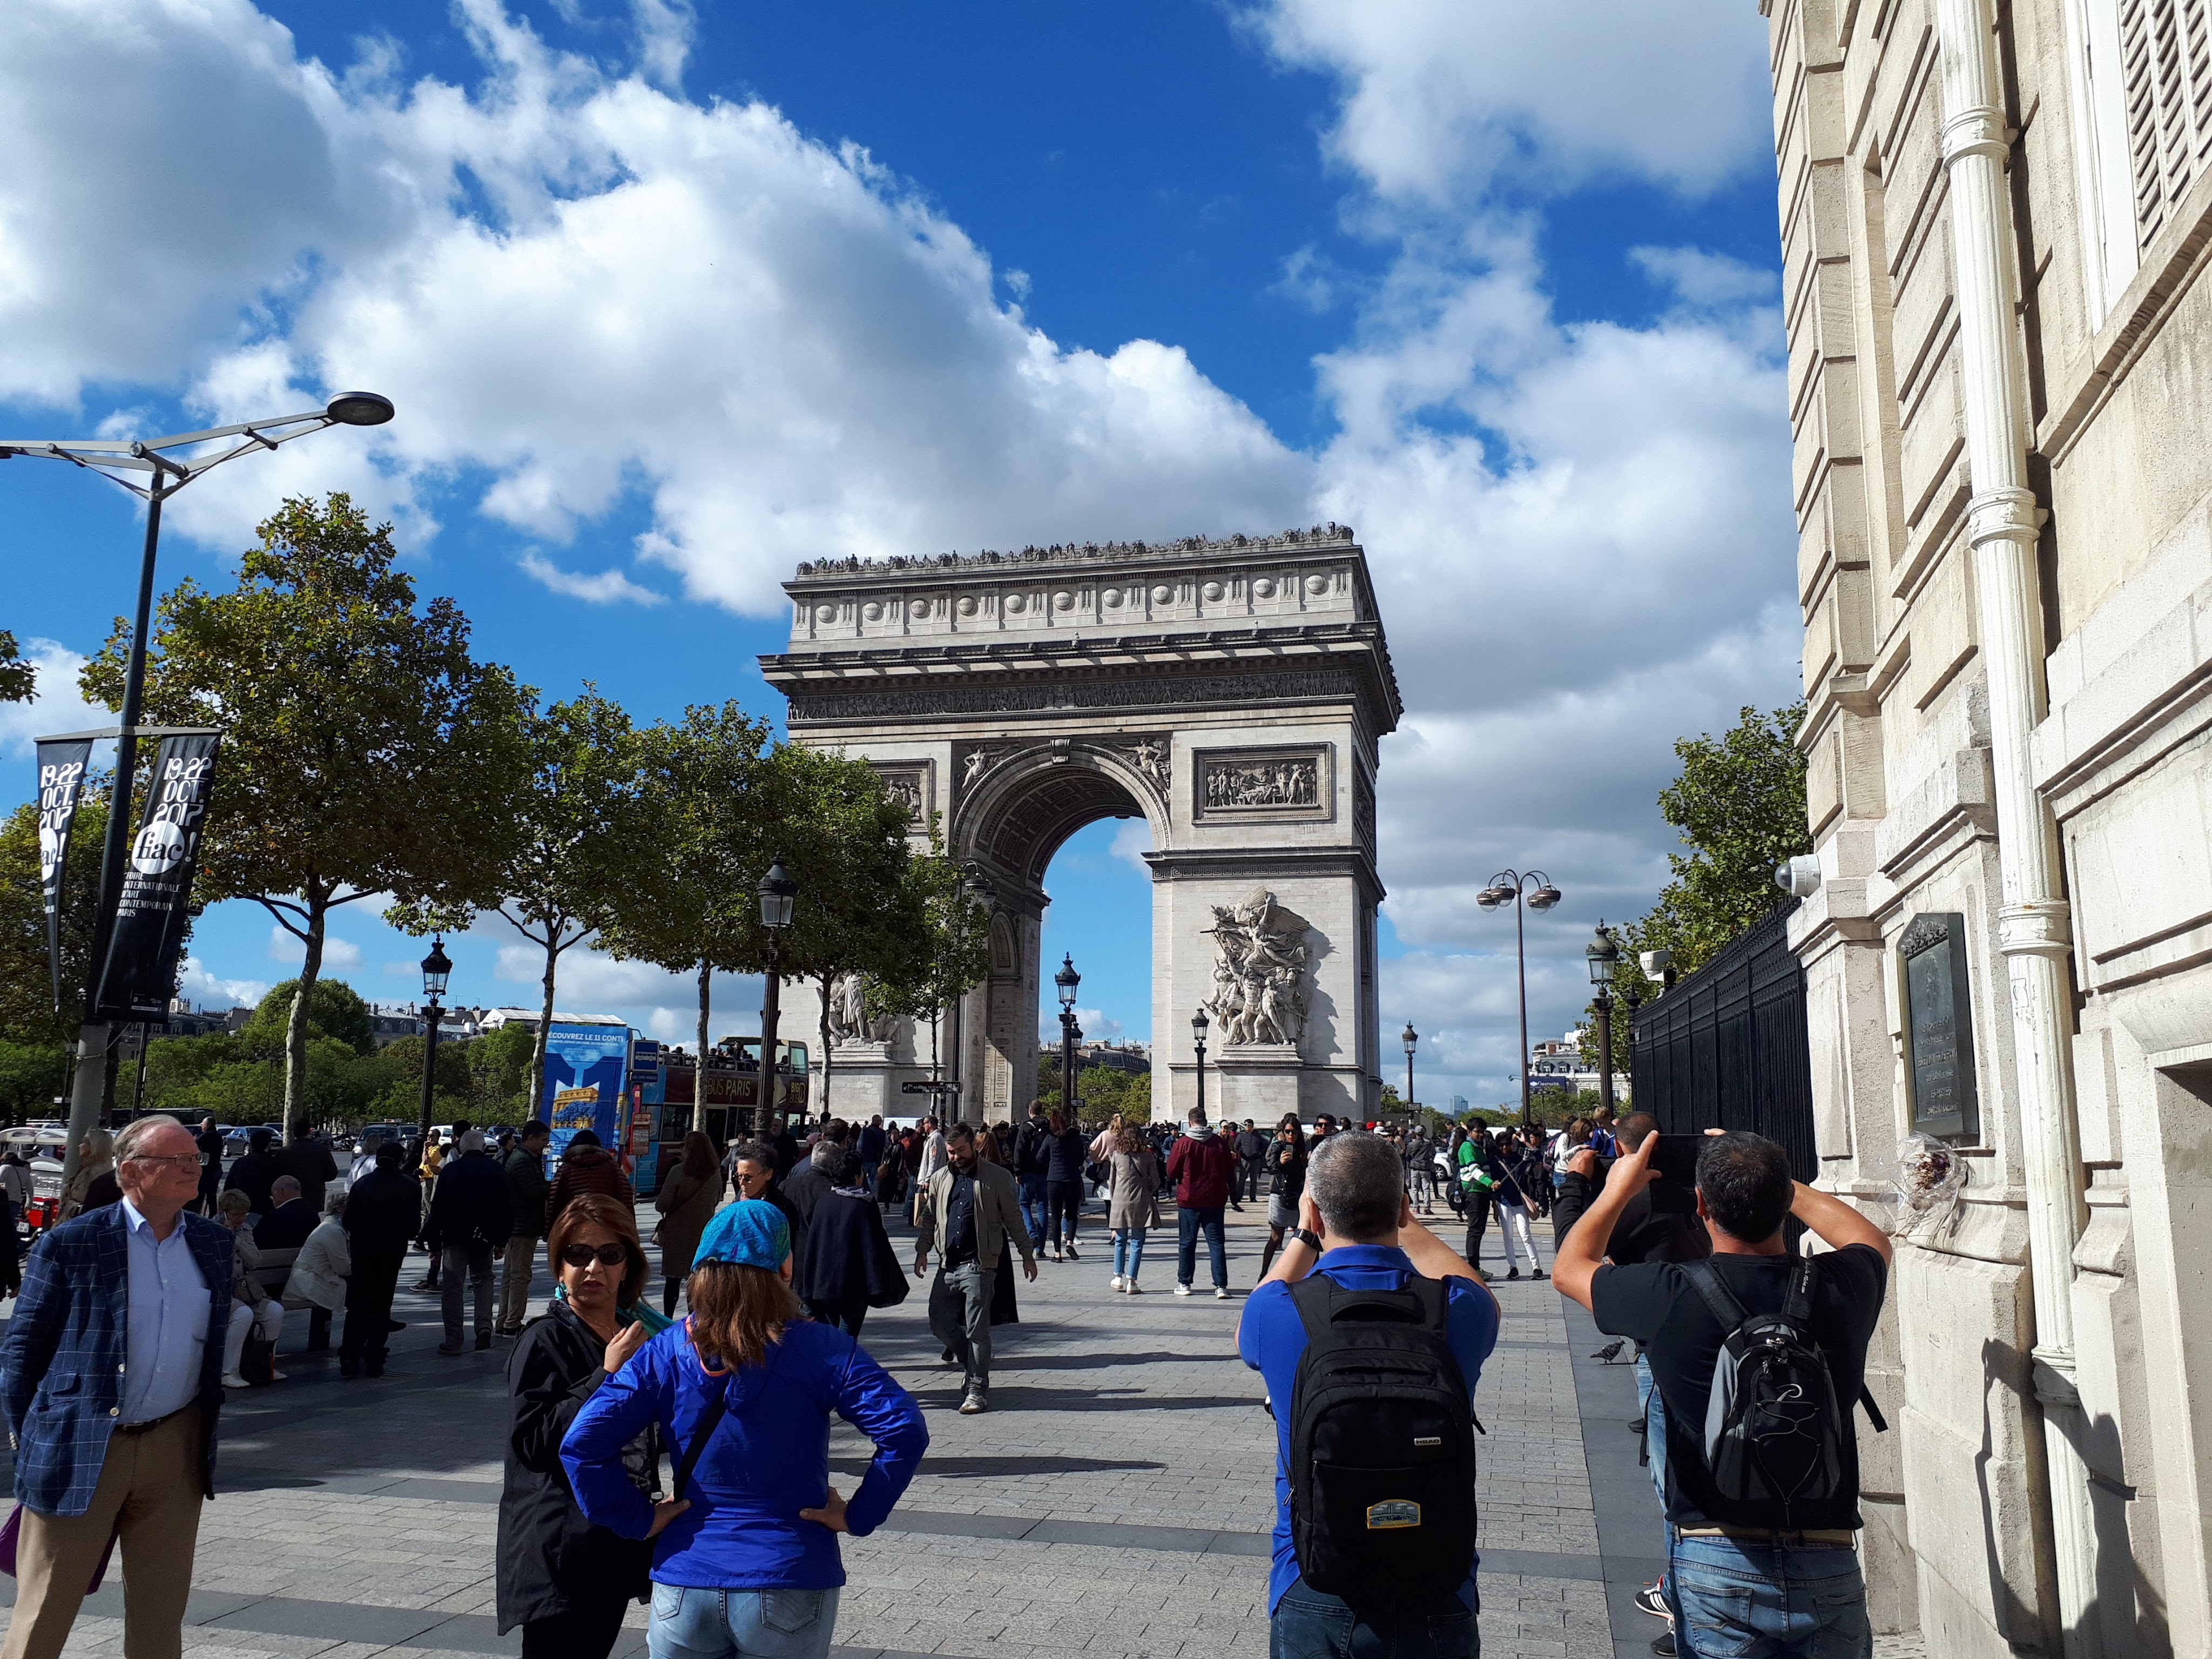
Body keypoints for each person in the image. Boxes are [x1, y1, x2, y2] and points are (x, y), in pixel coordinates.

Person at [1553, 1130, 1892, 1659]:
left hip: (1716, 1549)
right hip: (1826, 1553)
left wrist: (1614, 1188)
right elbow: (1869, 1237)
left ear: (1700, 1205)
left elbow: (1568, 1267)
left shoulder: (1667, 1291)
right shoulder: (1841, 1283)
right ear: (1783, 1202)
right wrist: (1778, 1181)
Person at [562, 1199, 930, 1659]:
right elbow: (904, 1431)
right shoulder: (824, 1348)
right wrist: (859, 1515)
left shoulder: (667, 1350)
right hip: (788, 1572)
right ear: (783, 1266)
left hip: (685, 1576)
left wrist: (637, 1518)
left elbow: (582, 1444)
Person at [1237, 1130, 1500, 1659]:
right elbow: (1484, 1294)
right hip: (1436, 1574)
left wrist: (1305, 1237)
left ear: (1311, 1209)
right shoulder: (1460, 1308)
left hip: (1314, 1572)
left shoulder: (1276, 1313)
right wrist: (1407, 1221)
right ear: (1403, 1206)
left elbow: (1263, 1295)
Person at [0, 1115, 235, 1659]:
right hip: (81, 1445)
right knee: (46, 1608)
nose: (191, 1169)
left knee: (161, 1613)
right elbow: (22, 1351)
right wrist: (29, 1439)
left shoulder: (212, 1243)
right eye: (175, 1160)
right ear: (131, 1172)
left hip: (176, 1446)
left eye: (194, 1159)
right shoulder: (73, 1244)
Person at [497, 1193, 664, 1659]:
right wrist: (604, 1376)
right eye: (578, 1255)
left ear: (628, 1265)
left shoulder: (635, 1334)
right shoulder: (545, 1338)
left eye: (609, 1255)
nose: (594, 1268)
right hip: (561, 1551)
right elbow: (532, 1443)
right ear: (559, 1266)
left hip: (609, 1547)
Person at [913, 1123, 1036, 1414]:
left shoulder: (997, 1178)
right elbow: (930, 1217)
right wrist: (922, 1250)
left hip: (979, 1264)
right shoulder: (941, 1178)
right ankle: (971, 1363)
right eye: (951, 1152)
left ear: (973, 1145)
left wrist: (1026, 1254)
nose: (956, 1157)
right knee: (938, 1322)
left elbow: (1014, 1218)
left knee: (977, 1330)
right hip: (948, 1263)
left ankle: (977, 1388)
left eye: (961, 1151)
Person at [793, 1144, 906, 1337]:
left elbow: (815, 1242)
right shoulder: (864, 1204)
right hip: (854, 1283)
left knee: (829, 1332)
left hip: (824, 1281)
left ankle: (832, 1365)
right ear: (857, 1177)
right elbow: (875, 1243)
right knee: (847, 1334)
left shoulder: (824, 1202)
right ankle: (841, 1366)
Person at [426, 1129, 512, 1355]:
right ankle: (484, 1327)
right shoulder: (496, 1170)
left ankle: (454, 1339)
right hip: (484, 1238)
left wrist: (434, 1245)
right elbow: (507, 1209)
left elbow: (438, 1209)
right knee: (484, 1280)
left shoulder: (451, 1171)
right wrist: (501, 1241)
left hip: (455, 1237)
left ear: (461, 1147)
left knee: (453, 1287)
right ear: (483, 1147)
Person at [340, 1140, 419, 1379]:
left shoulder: (362, 1184)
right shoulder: (410, 1187)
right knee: (382, 1305)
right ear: (401, 1161)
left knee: (357, 1305)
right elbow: (413, 1228)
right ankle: (375, 1359)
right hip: (391, 1253)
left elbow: (348, 1221)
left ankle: (350, 1357)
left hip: (363, 1252)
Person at [217, 1189, 287, 1387]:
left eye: (244, 1214)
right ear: (224, 1212)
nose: (240, 1219)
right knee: (243, 1315)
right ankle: (228, 1371)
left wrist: (236, 1240)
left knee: (275, 1311)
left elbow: (255, 1261)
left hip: (243, 1288)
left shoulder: (245, 1230)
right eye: (236, 1215)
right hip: (221, 1291)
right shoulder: (211, 1227)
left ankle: (266, 1365)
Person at [654, 1131, 724, 1319]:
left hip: (677, 1234)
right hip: (703, 1234)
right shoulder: (715, 1173)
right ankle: (694, 1320)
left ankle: (668, 1319)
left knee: (673, 1282)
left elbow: (662, 1204)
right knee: (696, 1280)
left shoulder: (678, 1171)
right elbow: (717, 1200)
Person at [1166, 1107, 1235, 1298]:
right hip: (1215, 1199)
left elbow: (1171, 1171)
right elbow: (1230, 1169)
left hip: (1189, 1199)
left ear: (1190, 1123)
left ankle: (1185, 1283)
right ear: (1206, 1122)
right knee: (1216, 1243)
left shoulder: (1183, 1144)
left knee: (1187, 1243)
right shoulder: (1219, 1143)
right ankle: (1221, 1286)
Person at [281, 1191, 353, 1353]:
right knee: (360, 1295)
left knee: (361, 1290)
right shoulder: (332, 1230)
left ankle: (369, 1331)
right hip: (310, 1283)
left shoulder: (334, 1227)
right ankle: (356, 1342)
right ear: (339, 1209)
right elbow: (344, 1269)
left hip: (317, 1278)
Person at [500, 1121, 554, 1337]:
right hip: (522, 1226)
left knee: (511, 1276)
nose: (545, 1146)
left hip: (518, 1225)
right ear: (530, 1138)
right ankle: (512, 1323)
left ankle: (505, 1320)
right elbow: (533, 1190)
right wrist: (555, 1186)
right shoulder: (522, 1160)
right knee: (520, 1276)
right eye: (543, 1141)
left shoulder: (527, 1158)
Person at [1106, 1123, 1161, 1294]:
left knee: (1120, 1241)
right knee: (1137, 1243)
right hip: (1141, 1201)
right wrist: (1147, 1190)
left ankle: (1117, 1277)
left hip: (1120, 1202)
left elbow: (1112, 1182)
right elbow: (1157, 1181)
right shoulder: (1147, 1156)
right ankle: (1132, 1280)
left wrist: (1115, 1198)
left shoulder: (1117, 1155)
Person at [544, 1129, 633, 1232]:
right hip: (606, 1222)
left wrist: (550, 1231)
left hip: (574, 1223)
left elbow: (555, 1199)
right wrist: (630, 1229)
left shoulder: (566, 1169)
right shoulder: (612, 1167)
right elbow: (626, 1195)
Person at [1486, 1133, 1544, 1280]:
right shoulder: (1494, 1162)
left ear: (1512, 1145)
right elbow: (1491, 1186)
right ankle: (1513, 1267)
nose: (1505, 1147)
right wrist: (1494, 1207)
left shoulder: (1519, 1158)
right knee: (1508, 1236)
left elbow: (1538, 1156)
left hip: (1519, 1202)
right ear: (1498, 1146)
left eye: (1507, 1144)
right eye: (1502, 1145)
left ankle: (1536, 1267)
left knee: (1525, 1234)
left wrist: (1525, 1142)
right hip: (1503, 1202)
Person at [1258, 1115, 1307, 1280]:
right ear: (1283, 1132)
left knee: (1304, 1236)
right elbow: (1271, 1168)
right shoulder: (1277, 1147)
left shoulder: (1302, 1149)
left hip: (1297, 1195)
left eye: (1294, 1132)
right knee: (1276, 1236)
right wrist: (1280, 1162)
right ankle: (1263, 1273)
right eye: (1288, 1131)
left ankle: (1304, 1275)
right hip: (1280, 1194)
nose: (1291, 1135)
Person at [729, 1140, 802, 1240]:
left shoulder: (782, 1208)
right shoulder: (741, 1196)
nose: (742, 1182)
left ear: (768, 1174)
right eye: (738, 1176)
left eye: (748, 1177)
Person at [1042, 1109, 1089, 1262]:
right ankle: (1069, 1243)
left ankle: (1057, 1254)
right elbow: (1081, 1158)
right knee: (1071, 1214)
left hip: (1054, 1180)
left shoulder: (1050, 1138)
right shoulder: (1076, 1138)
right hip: (1072, 1179)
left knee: (1055, 1217)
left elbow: (1040, 1157)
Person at [1012, 1102, 1052, 1252]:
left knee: (1024, 1205)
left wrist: (1018, 1171)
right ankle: (1040, 1249)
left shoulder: (1026, 1128)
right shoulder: (1050, 1127)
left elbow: (1019, 1151)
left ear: (1030, 1111)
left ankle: (1032, 1233)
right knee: (1043, 1208)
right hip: (1045, 1173)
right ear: (1042, 1111)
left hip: (1028, 1173)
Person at [274, 1125, 339, 1216]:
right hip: (314, 1196)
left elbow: (276, 1175)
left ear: (294, 1133)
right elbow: (332, 1174)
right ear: (309, 1133)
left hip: (289, 1196)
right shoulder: (322, 1150)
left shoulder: (283, 1152)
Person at [59, 1128, 119, 1219]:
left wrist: (70, 1205)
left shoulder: (99, 1172)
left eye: (84, 1142)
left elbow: (95, 1205)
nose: (79, 1146)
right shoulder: (84, 1168)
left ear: (94, 1146)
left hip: (79, 1224)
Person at [222, 1128, 280, 1218]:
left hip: (243, 1208)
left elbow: (228, 1188)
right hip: (266, 1208)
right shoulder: (275, 1163)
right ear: (268, 1145)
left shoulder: (240, 1163)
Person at [252, 1176, 319, 1251]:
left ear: (279, 1192)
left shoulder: (272, 1218)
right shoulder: (313, 1214)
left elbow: (255, 1245)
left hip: (276, 1261)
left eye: (273, 1196)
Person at [194, 1117, 225, 1216]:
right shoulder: (218, 1136)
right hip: (216, 1168)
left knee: (200, 1195)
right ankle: (213, 1216)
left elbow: (195, 1145)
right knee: (212, 1196)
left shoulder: (206, 1135)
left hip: (206, 1169)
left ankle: (197, 1215)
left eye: (203, 1124)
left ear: (207, 1125)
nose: (201, 1126)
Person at [855, 1115, 887, 1194]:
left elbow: (860, 1145)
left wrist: (858, 1157)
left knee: (861, 1178)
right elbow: (886, 1147)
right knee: (872, 1180)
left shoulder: (865, 1131)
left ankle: (861, 1194)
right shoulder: (883, 1133)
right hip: (876, 1160)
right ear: (878, 1122)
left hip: (865, 1158)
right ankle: (871, 1197)